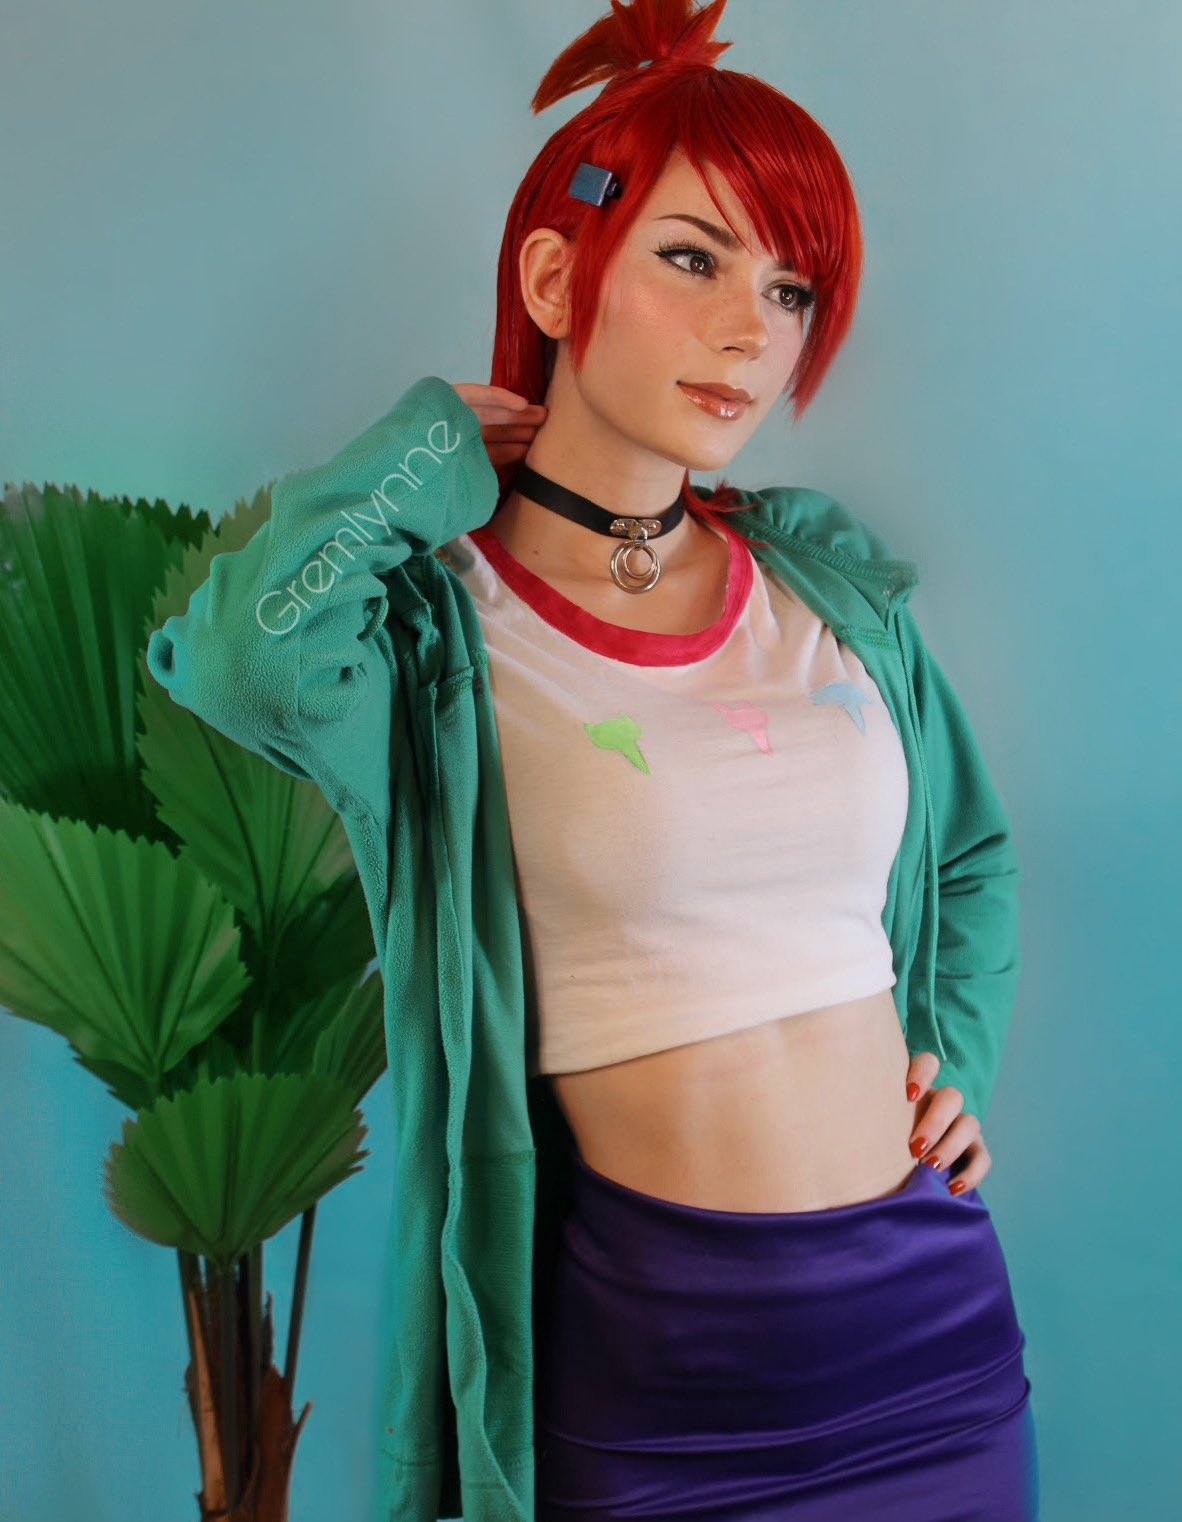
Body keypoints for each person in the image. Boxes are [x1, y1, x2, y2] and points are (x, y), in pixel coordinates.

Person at [147, 1, 1040, 1517]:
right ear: (557, 278)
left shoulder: (824, 596)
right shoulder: (438, 639)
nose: (750, 329)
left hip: (928, 1334)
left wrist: (952, 1054)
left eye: (789, 286)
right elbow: (240, 662)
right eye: (694, 259)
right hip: (659, 1365)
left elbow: (967, 853)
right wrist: (424, 453)